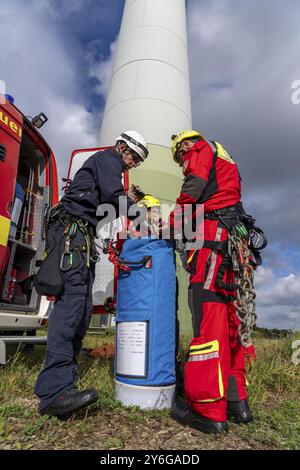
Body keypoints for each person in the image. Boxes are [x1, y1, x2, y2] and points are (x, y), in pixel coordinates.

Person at [34, 130, 148, 417]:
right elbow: (116, 199)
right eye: (134, 155)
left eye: (139, 160)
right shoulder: (108, 159)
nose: (134, 162)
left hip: (81, 237)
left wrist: (127, 200)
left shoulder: (110, 165)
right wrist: (145, 212)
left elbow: (109, 203)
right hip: (72, 234)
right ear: (122, 146)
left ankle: (64, 383)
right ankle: (54, 393)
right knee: (71, 307)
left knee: (82, 310)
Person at [168, 130, 255, 434]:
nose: (182, 163)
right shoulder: (226, 158)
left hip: (212, 244)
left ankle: (207, 410)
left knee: (210, 322)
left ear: (186, 144)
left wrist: (172, 224)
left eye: (180, 156)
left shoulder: (200, 151)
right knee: (234, 324)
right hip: (236, 246)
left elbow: (193, 188)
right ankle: (236, 403)